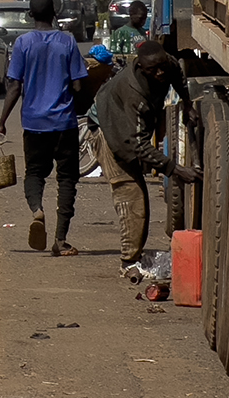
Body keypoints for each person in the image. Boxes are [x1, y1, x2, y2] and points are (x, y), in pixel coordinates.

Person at [91, 38, 199, 278]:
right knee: (131, 194)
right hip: (108, 129)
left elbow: (177, 75)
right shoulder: (134, 94)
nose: (160, 73)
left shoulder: (167, 64)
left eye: (162, 66)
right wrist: (174, 169)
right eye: (153, 69)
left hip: (127, 128)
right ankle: (129, 262)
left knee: (138, 193)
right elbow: (138, 145)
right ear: (141, 67)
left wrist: (187, 103)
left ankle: (134, 255)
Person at [0, 0, 87, 256]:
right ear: (55, 13)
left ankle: (37, 210)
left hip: (34, 123)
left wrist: (1, 122)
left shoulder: (23, 43)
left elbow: (14, 86)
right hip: (64, 123)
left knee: (34, 173)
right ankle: (61, 240)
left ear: (30, 15)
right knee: (67, 180)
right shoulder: (67, 42)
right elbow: (79, 84)